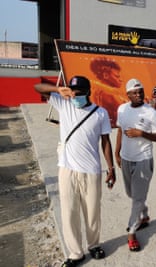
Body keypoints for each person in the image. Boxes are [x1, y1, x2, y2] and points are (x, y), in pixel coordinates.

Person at [34, 76, 115, 267]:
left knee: (92, 212)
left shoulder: (100, 113)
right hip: (67, 170)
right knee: (69, 213)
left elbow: (105, 142)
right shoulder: (64, 104)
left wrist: (111, 168)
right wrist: (58, 88)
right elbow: (37, 87)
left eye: (79, 93)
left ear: (89, 92)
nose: (75, 96)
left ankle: (94, 245)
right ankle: (75, 253)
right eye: (73, 91)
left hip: (92, 170)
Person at [115, 78, 156, 252]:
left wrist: (141, 133)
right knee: (131, 193)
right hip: (126, 158)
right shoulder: (122, 109)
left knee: (137, 198)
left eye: (141, 91)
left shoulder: (150, 112)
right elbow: (120, 130)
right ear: (127, 95)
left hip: (144, 159)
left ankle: (132, 231)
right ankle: (144, 216)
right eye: (134, 92)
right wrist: (117, 153)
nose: (139, 95)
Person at [90, 57, 126, 127]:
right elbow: (128, 111)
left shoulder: (98, 91)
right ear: (106, 75)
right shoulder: (108, 94)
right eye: (117, 76)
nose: (121, 79)